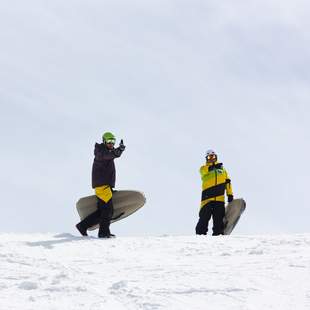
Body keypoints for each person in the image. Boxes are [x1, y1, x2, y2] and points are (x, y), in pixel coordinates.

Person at [76, 132, 126, 238]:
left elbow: (111, 154)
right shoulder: (101, 152)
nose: (111, 144)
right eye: (109, 141)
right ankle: (103, 233)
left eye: (113, 141)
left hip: (105, 187)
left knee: (103, 211)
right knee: (108, 211)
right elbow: (110, 155)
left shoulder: (106, 152)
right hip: (102, 187)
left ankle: (83, 226)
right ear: (104, 141)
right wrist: (119, 151)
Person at [195, 149, 233, 236]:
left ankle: (218, 234)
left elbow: (228, 182)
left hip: (219, 199)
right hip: (207, 199)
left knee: (218, 219)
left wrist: (230, 194)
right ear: (206, 158)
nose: (212, 158)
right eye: (209, 157)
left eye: (213, 156)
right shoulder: (203, 168)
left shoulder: (223, 170)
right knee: (204, 218)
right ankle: (200, 235)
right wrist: (214, 167)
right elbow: (204, 171)